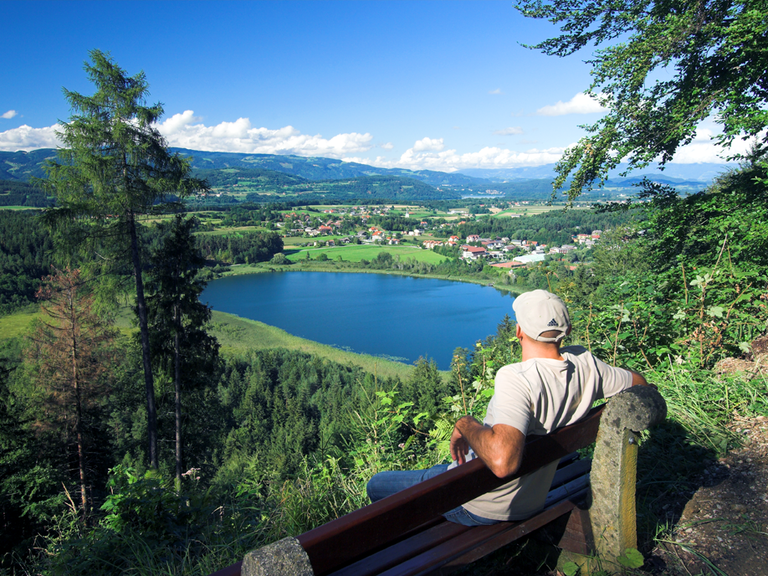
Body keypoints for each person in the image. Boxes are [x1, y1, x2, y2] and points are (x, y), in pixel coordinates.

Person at [366, 289, 647, 526]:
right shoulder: (587, 364)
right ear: (567, 331)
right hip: (532, 498)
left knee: (377, 485)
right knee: (443, 470)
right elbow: (640, 385)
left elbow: (502, 462)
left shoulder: (517, 378)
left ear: (519, 331)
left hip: (482, 505)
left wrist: (465, 424)